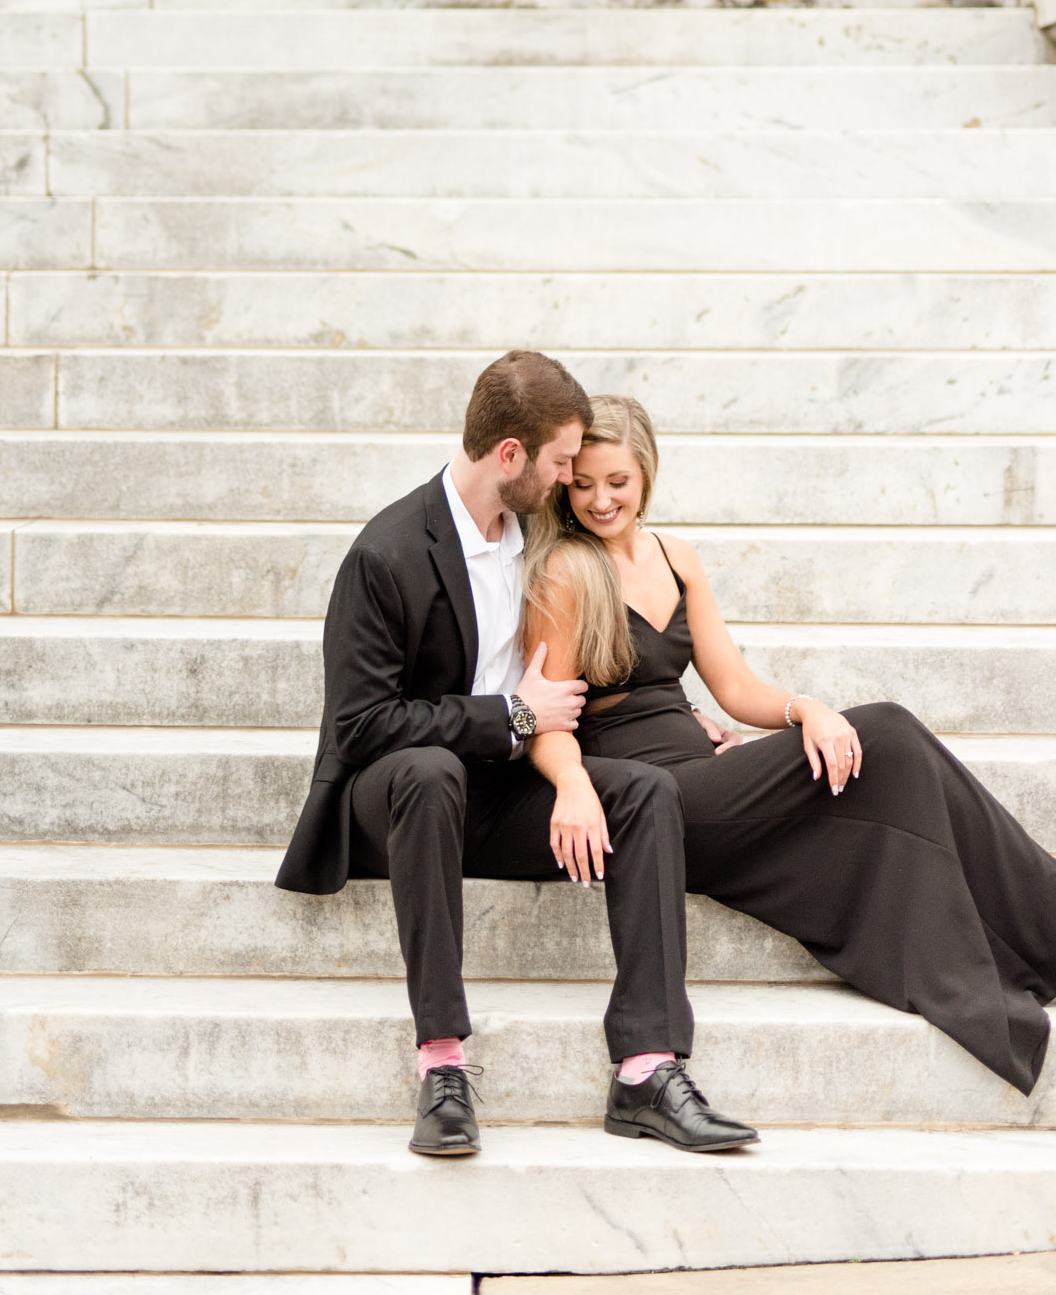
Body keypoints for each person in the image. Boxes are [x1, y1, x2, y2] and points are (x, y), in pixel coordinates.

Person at [521, 394, 1056, 1097]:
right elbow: (548, 719)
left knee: (886, 759)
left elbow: (734, 686)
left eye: (616, 480)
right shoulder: (564, 569)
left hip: (710, 770)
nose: (599, 500)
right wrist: (578, 785)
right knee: (885, 732)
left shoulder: (676, 557)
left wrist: (803, 708)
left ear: (647, 470)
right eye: (581, 485)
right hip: (650, 796)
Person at [277, 351, 758, 1157]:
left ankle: (645, 1067)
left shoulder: (540, 533)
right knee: (429, 772)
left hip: (499, 791)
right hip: (394, 800)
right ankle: (442, 1065)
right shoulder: (387, 553)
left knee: (645, 792)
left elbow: (604, 657)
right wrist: (506, 716)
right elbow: (358, 727)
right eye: (563, 463)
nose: (574, 480)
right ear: (512, 456)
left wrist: (683, 721)